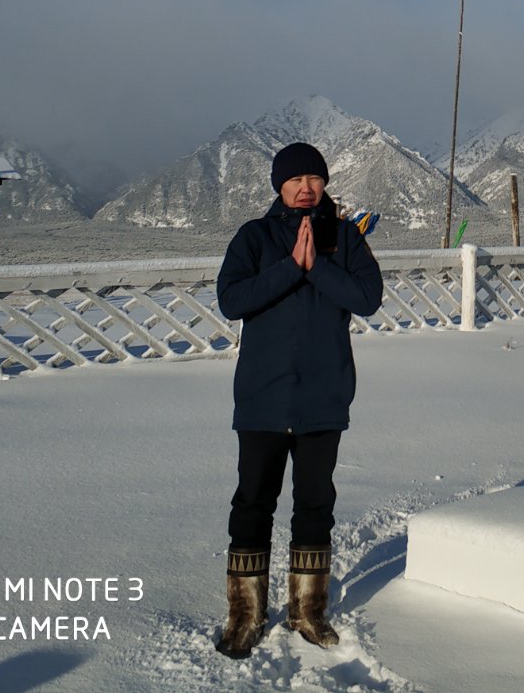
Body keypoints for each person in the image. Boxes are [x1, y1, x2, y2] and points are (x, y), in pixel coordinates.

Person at [213, 142, 384, 659]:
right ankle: (244, 616)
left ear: (325, 184)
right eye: (295, 179)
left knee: (315, 506)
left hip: (322, 398)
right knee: (252, 505)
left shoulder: (345, 240)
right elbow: (231, 299)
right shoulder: (255, 237)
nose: (305, 186)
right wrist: (290, 265)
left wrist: (316, 267)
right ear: (279, 185)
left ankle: (307, 611)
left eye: (314, 177)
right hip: (263, 400)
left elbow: (368, 299)